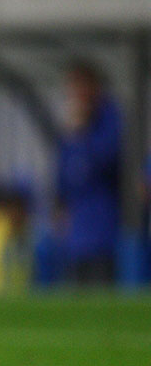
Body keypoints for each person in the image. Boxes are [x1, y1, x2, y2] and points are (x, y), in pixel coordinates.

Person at [55, 59, 122, 285]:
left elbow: (107, 162)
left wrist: (83, 134)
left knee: (101, 302)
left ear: (95, 88)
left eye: (80, 86)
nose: (76, 94)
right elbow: (63, 177)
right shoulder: (70, 130)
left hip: (104, 234)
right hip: (75, 238)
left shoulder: (110, 119)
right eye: (72, 87)